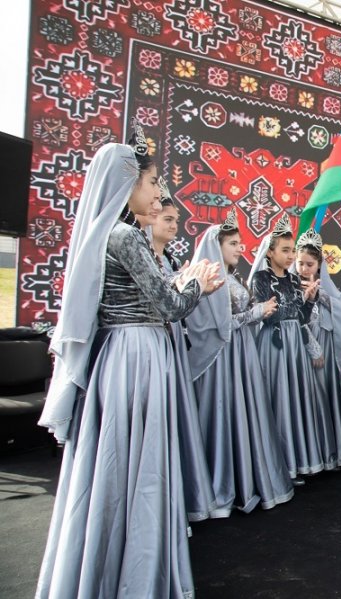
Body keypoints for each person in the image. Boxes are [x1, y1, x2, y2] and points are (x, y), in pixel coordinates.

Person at [37, 138, 221, 597]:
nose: (158, 192)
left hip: (125, 354)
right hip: (137, 354)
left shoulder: (112, 234)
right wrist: (197, 286)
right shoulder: (124, 236)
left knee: (121, 460)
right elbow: (169, 307)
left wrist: (184, 283)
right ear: (128, 183)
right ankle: (135, 571)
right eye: (153, 182)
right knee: (140, 462)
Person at [188, 209, 295, 513]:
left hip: (241, 352)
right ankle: (223, 482)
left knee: (243, 413)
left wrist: (256, 312)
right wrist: (257, 313)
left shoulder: (231, 277)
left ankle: (244, 477)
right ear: (216, 245)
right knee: (225, 412)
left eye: (239, 243)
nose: (239, 248)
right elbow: (219, 325)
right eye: (233, 243)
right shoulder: (210, 278)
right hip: (224, 358)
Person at [136, 192, 221, 521]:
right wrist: (187, 285)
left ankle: (173, 503)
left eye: (176, 220)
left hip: (169, 342)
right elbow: (163, 302)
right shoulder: (143, 256)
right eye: (168, 219)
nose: (174, 225)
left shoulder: (168, 261)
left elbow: (179, 305)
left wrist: (193, 287)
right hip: (146, 347)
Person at [250, 213, 319, 478]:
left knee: (295, 400)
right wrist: (294, 304)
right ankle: (278, 465)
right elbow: (269, 315)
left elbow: (300, 317)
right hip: (275, 344)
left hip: (295, 345)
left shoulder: (293, 280)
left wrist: (309, 300)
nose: (290, 256)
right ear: (270, 252)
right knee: (277, 400)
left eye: (292, 251)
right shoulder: (261, 279)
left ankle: (296, 462)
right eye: (285, 250)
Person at [296, 230, 341, 469]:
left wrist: (320, 296)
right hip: (299, 346)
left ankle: (327, 453)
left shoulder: (325, 288)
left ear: (319, 265)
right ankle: (305, 455)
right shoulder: (289, 285)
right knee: (304, 397)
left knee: (324, 395)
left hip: (325, 345)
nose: (304, 268)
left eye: (310, 264)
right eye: (300, 263)